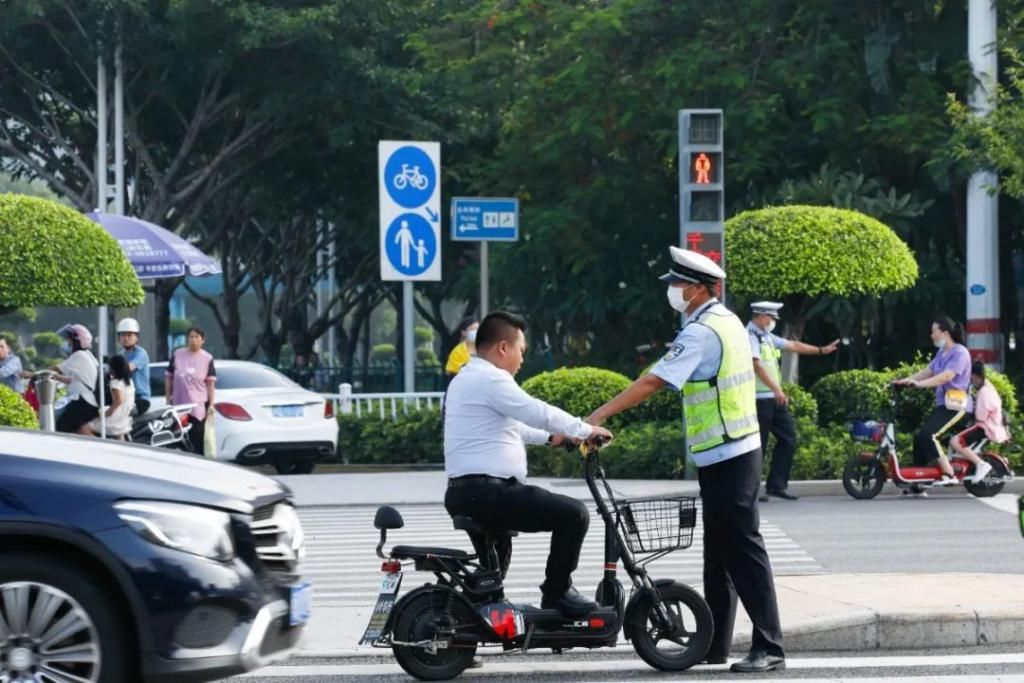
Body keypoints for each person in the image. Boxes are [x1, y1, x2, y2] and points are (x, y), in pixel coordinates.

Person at [586, 246, 785, 674]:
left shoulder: (701, 331)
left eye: (677, 285)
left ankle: (770, 646)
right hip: (729, 450)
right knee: (720, 550)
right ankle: (714, 643)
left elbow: (654, 381)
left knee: (742, 547)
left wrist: (597, 416)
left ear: (697, 289)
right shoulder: (726, 320)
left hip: (730, 452)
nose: (673, 291)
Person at [443, 310, 613, 618]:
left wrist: (555, 438)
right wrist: (586, 430)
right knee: (574, 514)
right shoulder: (491, 379)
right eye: (521, 351)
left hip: (467, 492)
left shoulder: (468, 378)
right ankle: (557, 593)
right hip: (488, 493)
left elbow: (513, 427)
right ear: (503, 348)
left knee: (492, 572)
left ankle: (470, 621)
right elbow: (535, 410)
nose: (522, 359)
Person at [747, 301, 839, 502]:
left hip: (773, 399)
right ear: (762, 316)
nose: (773, 322)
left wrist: (821, 350)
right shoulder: (750, 337)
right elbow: (756, 366)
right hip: (758, 400)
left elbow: (793, 345)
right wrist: (777, 389)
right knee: (757, 446)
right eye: (771, 318)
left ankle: (777, 486)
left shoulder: (767, 337)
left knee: (788, 439)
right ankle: (750, 491)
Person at [893, 317, 972, 489]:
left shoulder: (959, 352)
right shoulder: (941, 353)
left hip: (957, 406)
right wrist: (903, 381)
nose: (931, 335)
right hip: (944, 405)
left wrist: (919, 385)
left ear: (944, 333)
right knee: (920, 437)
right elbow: (926, 372)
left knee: (929, 435)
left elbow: (946, 376)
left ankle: (949, 474)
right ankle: (919, 484)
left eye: (934, 331)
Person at [949, 360, 1007, 483]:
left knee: (955, 441)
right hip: (989, 426)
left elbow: (980, 416)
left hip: (985, 427)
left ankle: (981, 464)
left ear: (976, 376)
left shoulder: (984, 392)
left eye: (971, 378)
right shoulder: (988, 386)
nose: (971, 381)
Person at [166, 327, 216, 455]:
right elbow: (168, 377)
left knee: (197, 440)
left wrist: (211, 404)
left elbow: (210, 384)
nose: (193, 340)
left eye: (197, 337)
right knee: (179, 438)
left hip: (198, 406)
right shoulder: (178, 354)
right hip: (179, 405)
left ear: (202, 340)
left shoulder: (207, 358)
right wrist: (168, 398)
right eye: (191, 337)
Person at [53, 324, 100, 434]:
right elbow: (75, 379)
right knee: (77, 431)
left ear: (78, 341)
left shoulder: (79, 355)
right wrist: (56, 377)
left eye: (69, 341)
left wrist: (31, 374)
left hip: (83, 402)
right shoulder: (88, 355)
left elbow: (55, 368)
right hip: (87, 402)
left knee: (60, 428)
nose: (67, 343)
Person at [81, 355, 135, 438]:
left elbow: (118, 400)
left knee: (84, 429)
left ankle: (102, 447)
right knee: (120, 436)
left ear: (114, 368)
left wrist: (107, 413)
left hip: (115, 418)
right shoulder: (129, 382)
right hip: (124, 417)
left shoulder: (115, 383)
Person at [117, 318, 151, 415]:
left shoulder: (141, 354)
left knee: (118, 415)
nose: (126, 338)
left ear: (137, 337)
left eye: (129, 335)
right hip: (125, 396)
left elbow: (128, 368)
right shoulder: (121, 354)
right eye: (123, 335)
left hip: (140, 399)